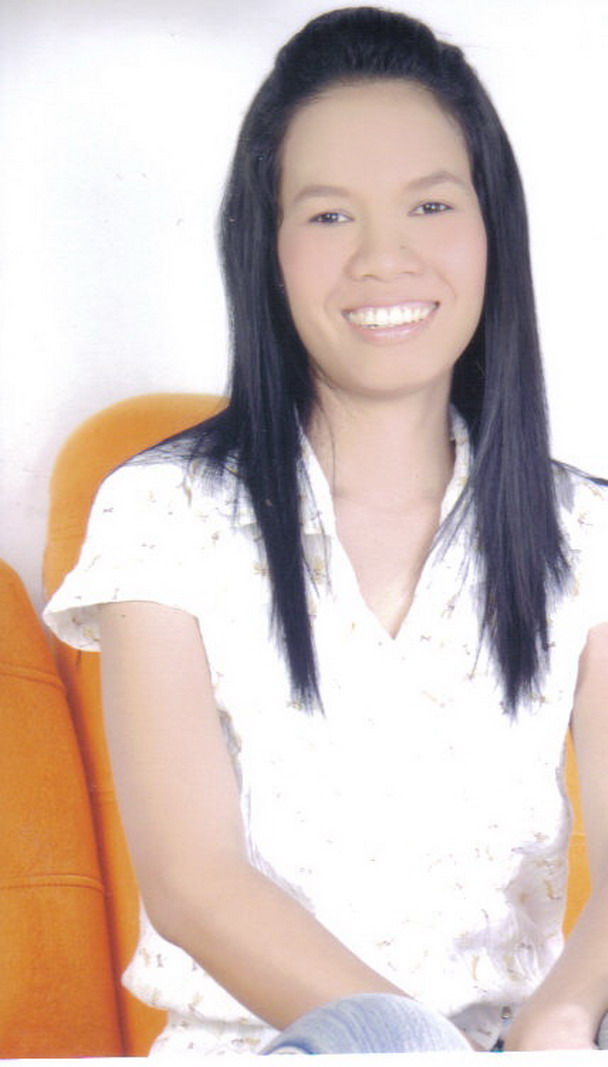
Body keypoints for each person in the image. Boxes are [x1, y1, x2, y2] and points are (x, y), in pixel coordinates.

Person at [44, 6, 608, 1055]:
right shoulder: (162, 512)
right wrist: (419, 1047)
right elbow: (193, 881)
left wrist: (562, 1020)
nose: (383, 257)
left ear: (492, 229)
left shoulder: (586, 531)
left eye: (429, 204)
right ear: (265, 249)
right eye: (329, 215)